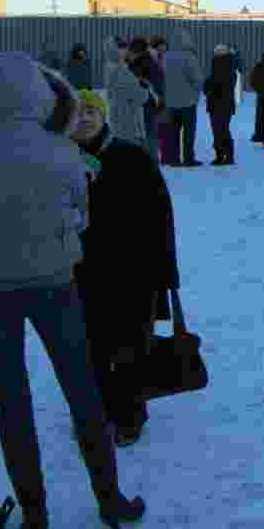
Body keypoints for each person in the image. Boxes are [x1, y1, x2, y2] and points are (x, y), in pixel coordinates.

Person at [0, 52, 145, 529]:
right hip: (55, 284)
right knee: (83, 393)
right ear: (43, 94)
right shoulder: (62, 148)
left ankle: (35, 514)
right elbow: (82, 212)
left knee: (11, 403)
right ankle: (109, 499)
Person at [71, 90, 180, 448]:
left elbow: (161, 214)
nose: (85, 116)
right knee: (90, 350)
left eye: (92, 110)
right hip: (79, 273)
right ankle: (98, 413)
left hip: (134, 274)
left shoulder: (131, 156)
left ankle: (130, 415)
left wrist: (166, 272)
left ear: (104, 117)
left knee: (133, 348)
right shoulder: (58, 161)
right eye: (78, 111)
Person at [163, 31, 204, 167]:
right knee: (188, 132)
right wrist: (197, 92)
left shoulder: (165, 56)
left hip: (171, 101)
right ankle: (188, 158)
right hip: (188, 101)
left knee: (173, 132)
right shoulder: (189, 56)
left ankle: (174, 159)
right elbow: (197, 78)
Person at [103, 37, 149, 149]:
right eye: (122, 47)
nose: (125, 50)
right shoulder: (121, 71)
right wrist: (144, 88)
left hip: (118, 118)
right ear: (114, 50)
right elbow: (139, 97)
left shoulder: (110, 67)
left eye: (125, 47)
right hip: (128, 122)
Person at [128, 37, 163, 163]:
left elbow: (157, 85)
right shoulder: (147, 62)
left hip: (145, 104)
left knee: (146, 133)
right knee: (147, 133)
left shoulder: (142, 63)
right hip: (146, 103)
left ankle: (150, 161)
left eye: (131, 49)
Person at [204, 45, 237, 165]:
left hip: (222, 103)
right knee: (219, 130)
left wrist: (210, 88)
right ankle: (221, 155)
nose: (215, 54)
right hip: (218, 103)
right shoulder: (219, 66)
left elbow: (221, 84)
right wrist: (209, 88)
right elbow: (210, 83)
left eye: (217, 53)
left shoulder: (227, 67)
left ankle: (226, 155)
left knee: (221, 130)